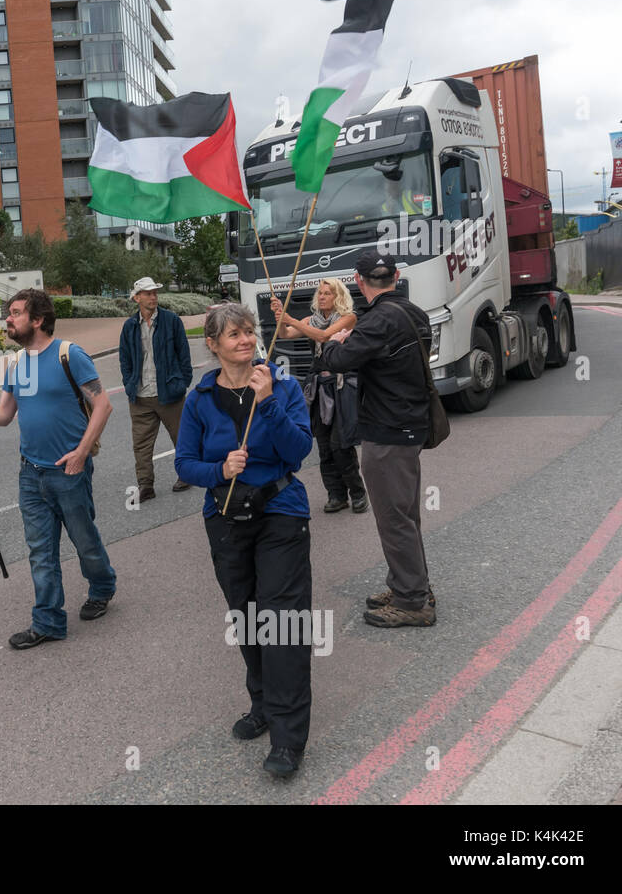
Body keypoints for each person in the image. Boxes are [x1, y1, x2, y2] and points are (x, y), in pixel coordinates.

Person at [175, 302, 314, 777]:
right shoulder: (200, 398)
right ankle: (263, 705)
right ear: (212, 344)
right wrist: (219, 469)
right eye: (233, 334)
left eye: (250, 331)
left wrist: (269, 402)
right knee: (248, 615)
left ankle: (287, 738)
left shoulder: (282, 384)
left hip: (280, 513)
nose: (246, 339)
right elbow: (184, 464)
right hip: (226, 516)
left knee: (284, 622)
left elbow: (299, 451)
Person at [0, 289, 115, 650]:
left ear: (38, 320)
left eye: (16, 313)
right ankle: (49, 621)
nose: (8, 318)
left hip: (69, 471)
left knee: (84, 541)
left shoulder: (71, 355)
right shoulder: (16, 364)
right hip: (31, 474)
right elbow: (5, 415)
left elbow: (103, 405)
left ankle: (102, 586)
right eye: (9, 313)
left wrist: (81, 453)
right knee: (40, 551)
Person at [317, 254, 436, 628]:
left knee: (393, 518)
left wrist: (336, 340)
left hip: (387, 431)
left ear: (359, 280)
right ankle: (411, 584)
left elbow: (336, 360)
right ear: (396, 276)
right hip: (411, 424)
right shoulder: (413, 311)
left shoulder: (378, 319)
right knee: (406, 514)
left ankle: (412, 601)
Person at [270, 278, 368, 514]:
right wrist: (280, 316)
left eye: (328, 293)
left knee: (340, 444)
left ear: (338, 297)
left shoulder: (348, 318)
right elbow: (285, 334)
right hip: (318, 386)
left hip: (341, 386)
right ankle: (336, 495)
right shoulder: (309, 320)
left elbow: (324, 337)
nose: (322, 296)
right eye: (321, 293)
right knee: (324, 445)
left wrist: (291, 319)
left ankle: (358, 493)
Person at [118, 276, 194, 501]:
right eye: (148, 293)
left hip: (169, 393)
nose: (153, 297)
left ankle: (186, 474)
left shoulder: (172, 321)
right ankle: (145, 485)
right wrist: (128, 382)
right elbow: (125, 359)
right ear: (137, 298)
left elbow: (184, 354)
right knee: (141, 444)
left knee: (181, 437)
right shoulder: (130, 326)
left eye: (154, 293)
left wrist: (182, 382)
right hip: (140, 396)